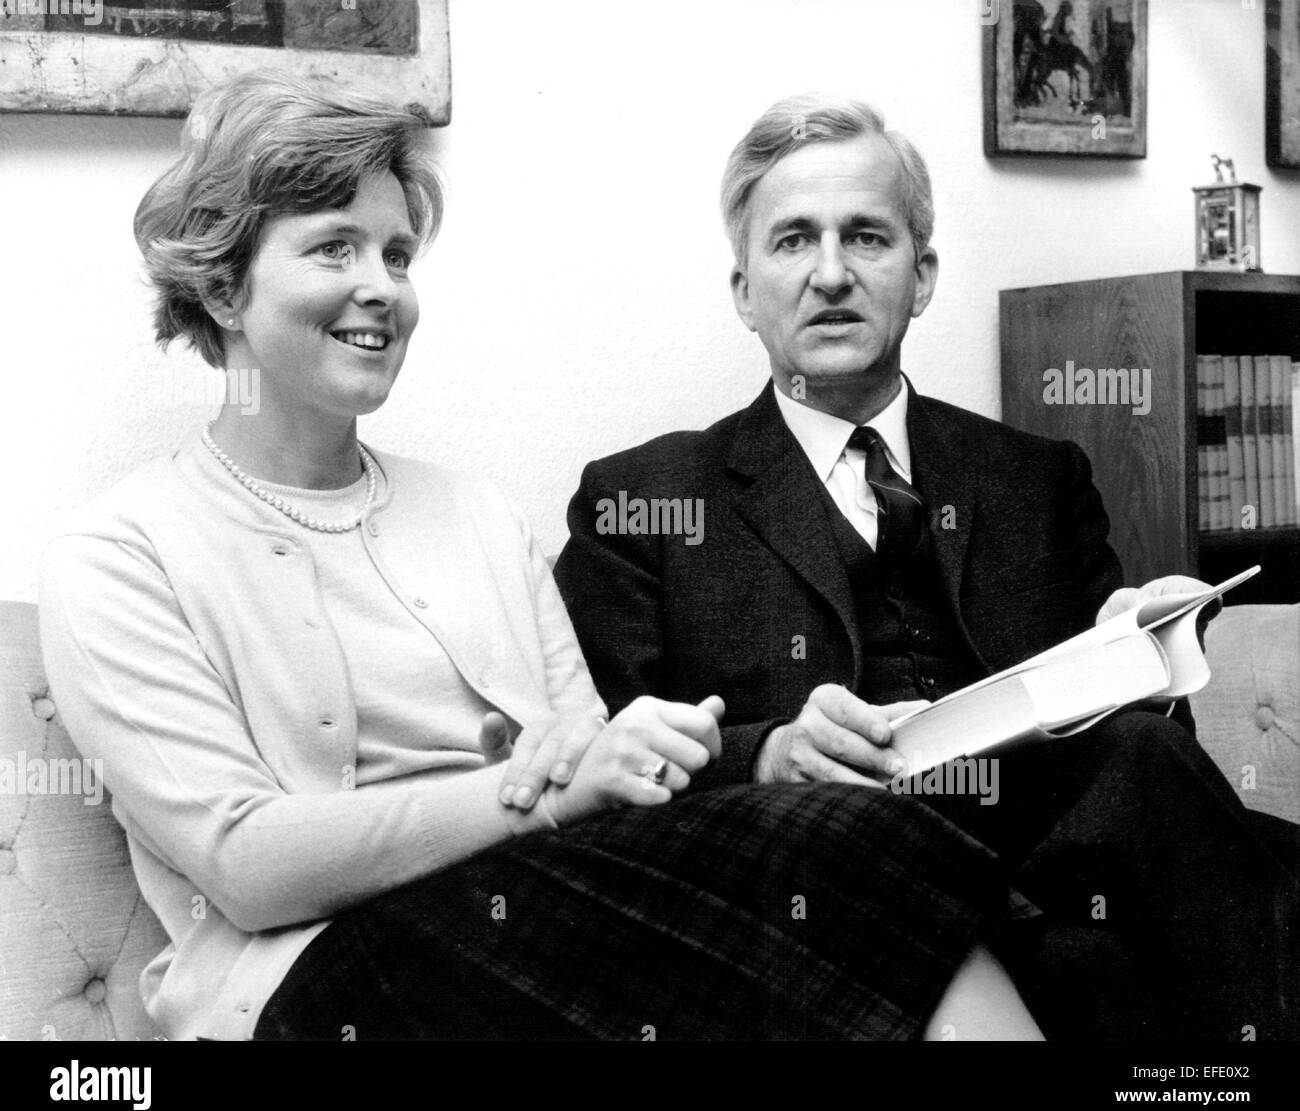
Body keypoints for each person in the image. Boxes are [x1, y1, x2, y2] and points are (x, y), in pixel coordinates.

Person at [38, 73, 1045, 1042]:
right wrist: (542, 794)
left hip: (545, 920)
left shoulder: (476, 515)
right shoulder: (121, 557)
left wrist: (648, 748)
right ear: (220, 285)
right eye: (334, 248)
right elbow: (248, 863)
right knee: (851, 841)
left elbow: (588, 754)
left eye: (396, 254)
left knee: (844, 836)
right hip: (316, 978)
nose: (379, 288)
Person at [554, 93, 1300, 1041]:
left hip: (1055, 870)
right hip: (829, 889)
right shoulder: (642, 504)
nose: (831, 274)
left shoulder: (1037, 478)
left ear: (922, 275)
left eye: (866, 237)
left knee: (1144, 780)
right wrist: (773, 752)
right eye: (792, 242)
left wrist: (1141, 661)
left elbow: (1142, 764)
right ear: (744, 290)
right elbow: (609, 767)